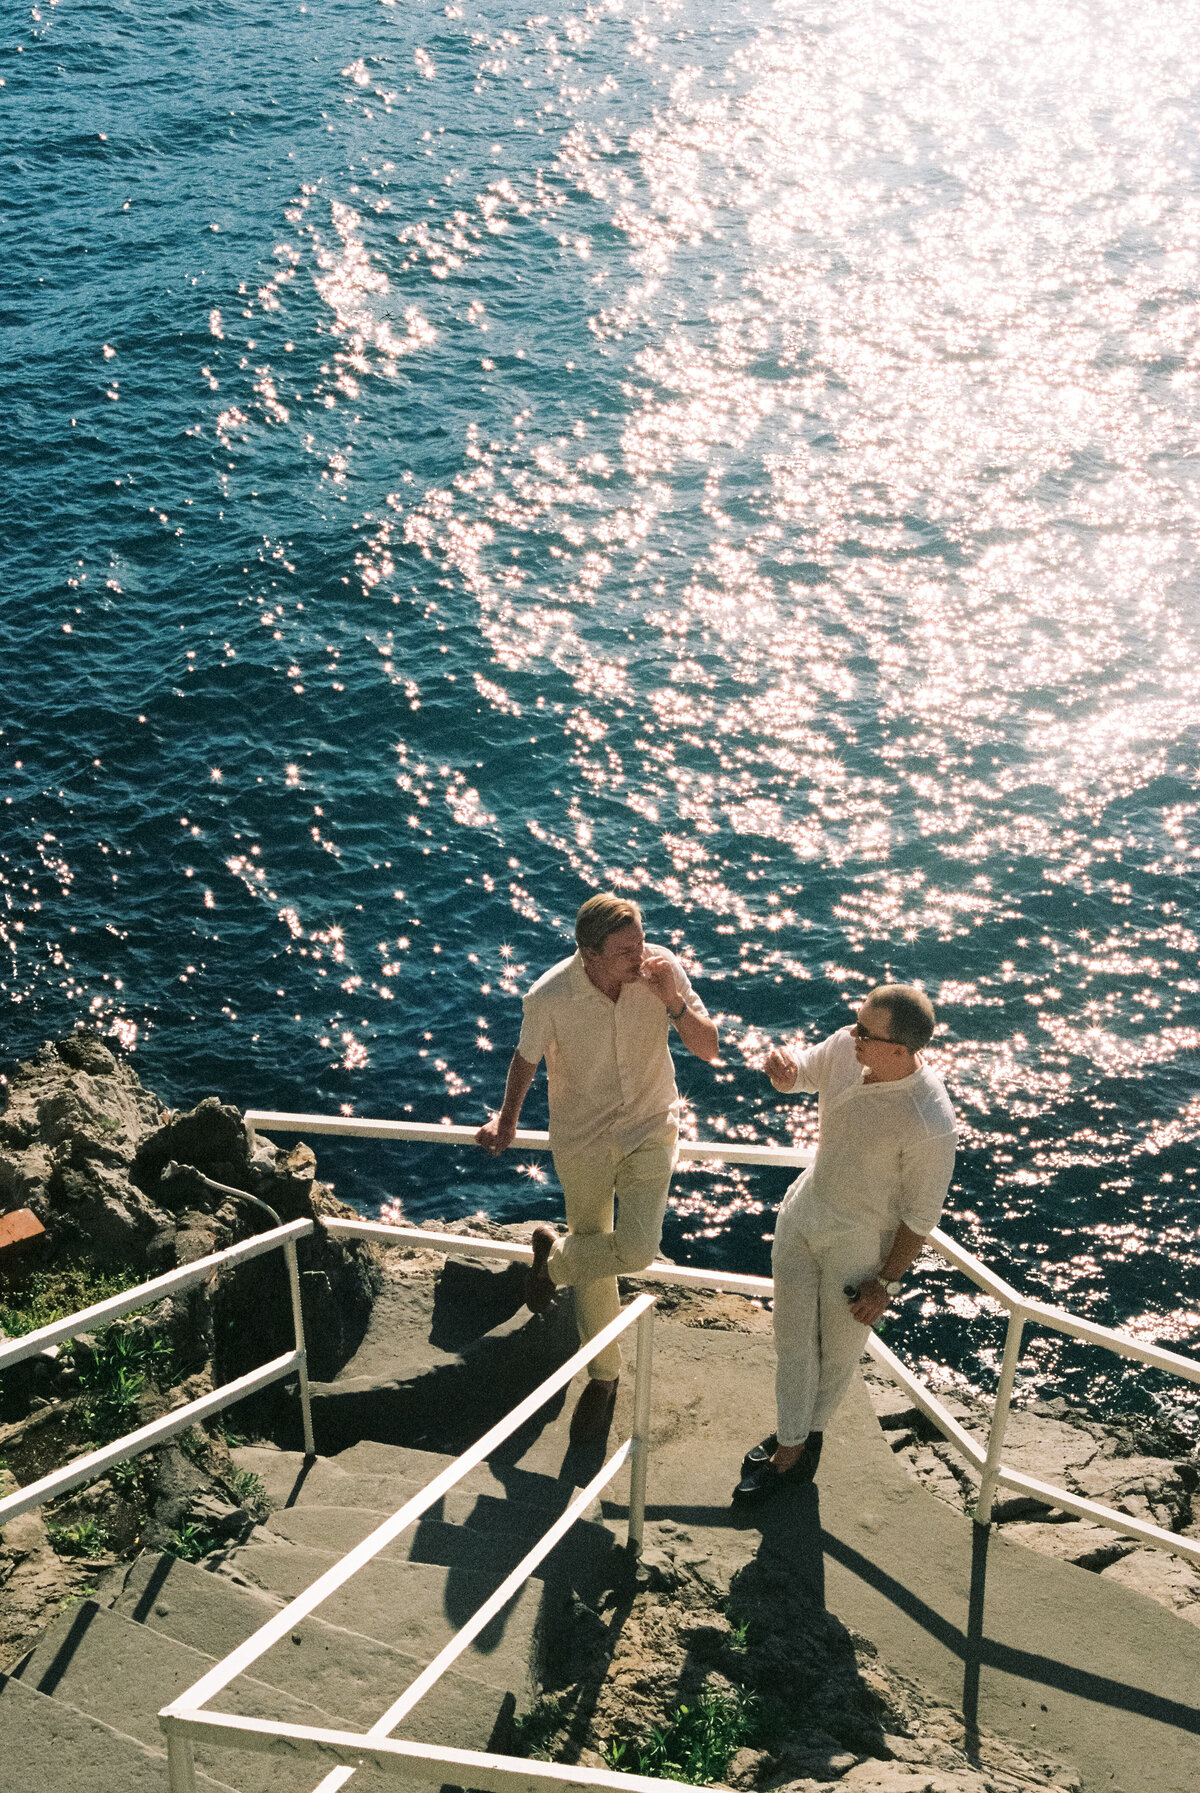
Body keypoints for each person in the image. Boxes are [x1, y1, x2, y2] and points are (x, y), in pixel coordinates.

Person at [476, 893, 719, 1442]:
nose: (641, 955)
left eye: (640, 941)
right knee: (597, 1249)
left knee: (635, 1249)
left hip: (651, 1128)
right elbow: (525, 1058)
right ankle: (604, 1377)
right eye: (625, 950)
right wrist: (507, 1121)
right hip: (582, 1139)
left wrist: (673, 1002)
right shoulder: (550, 994)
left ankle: (553, 1264)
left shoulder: (662, 971)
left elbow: (710, 1048)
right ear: (589, 954)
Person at [733, 984, 956, 1502]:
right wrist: (784, 1071)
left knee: (835, 1354)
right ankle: (794, 1442)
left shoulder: (929, 1120)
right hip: (804, 1215)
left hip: (857, 1245)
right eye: (855, 1023)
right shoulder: (844, 1047)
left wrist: (885, 1284)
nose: (852, 1035)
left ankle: (797, 1445)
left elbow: (920, 1218)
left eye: (865, 1032)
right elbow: (801, 1075)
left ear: (902, 1050)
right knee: (791, 1338)